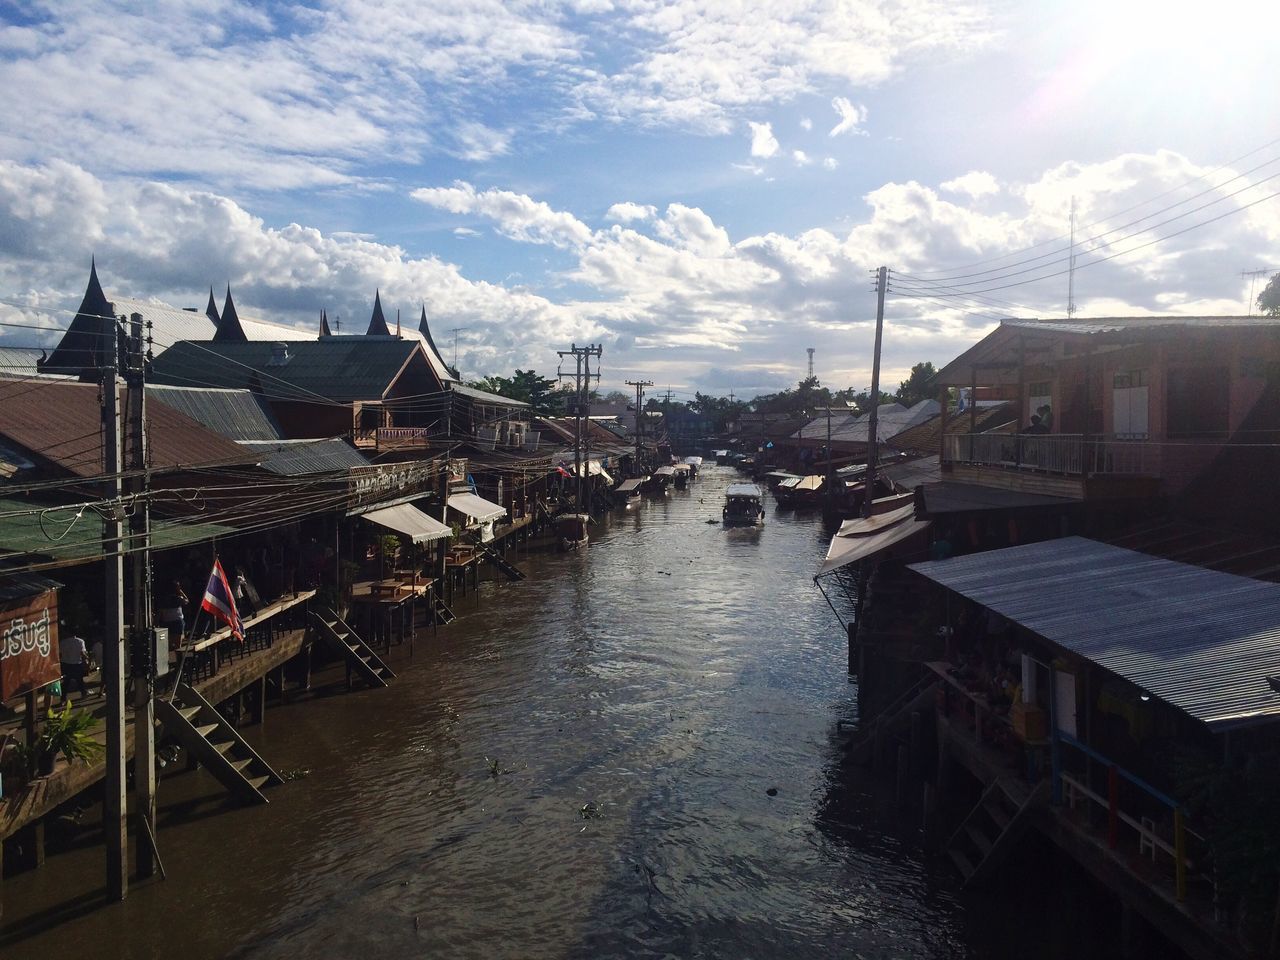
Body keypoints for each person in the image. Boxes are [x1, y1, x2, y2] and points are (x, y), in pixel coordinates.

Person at [58, 626, 90, 702]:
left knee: (66, 682)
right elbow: (82, 653)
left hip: (65, 664)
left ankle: (63, 699)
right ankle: (84, 694)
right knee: (79, 681)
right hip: (76, 664)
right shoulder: (80, 641)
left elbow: (60, 654)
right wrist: (87, 659)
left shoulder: (63, 642)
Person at [157, 580, 189, 644]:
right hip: (177, 621)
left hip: (166, 621)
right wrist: (181, 592)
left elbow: (159, 612)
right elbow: (187, 601)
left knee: (167, 642)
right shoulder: (178, 598)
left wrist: (156, 622)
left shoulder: (163, 599)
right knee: (177, 642)